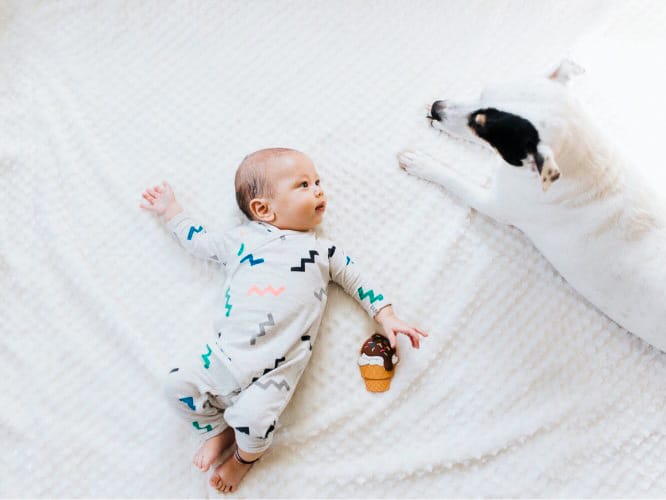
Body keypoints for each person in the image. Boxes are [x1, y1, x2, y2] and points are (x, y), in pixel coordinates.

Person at [140, 148, 428, 494]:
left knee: (255, 421)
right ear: (263, 209)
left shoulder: (323, 251)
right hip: (223, 358)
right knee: (176, 386)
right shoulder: (239, 241)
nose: (319, 190)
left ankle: (244, 459)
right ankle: (217, 430)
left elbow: (357, 280)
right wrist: (171, 211)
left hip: (275, 374)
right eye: (304, 185)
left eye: (318, 182)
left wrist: (387, 315)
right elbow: (198, 241)